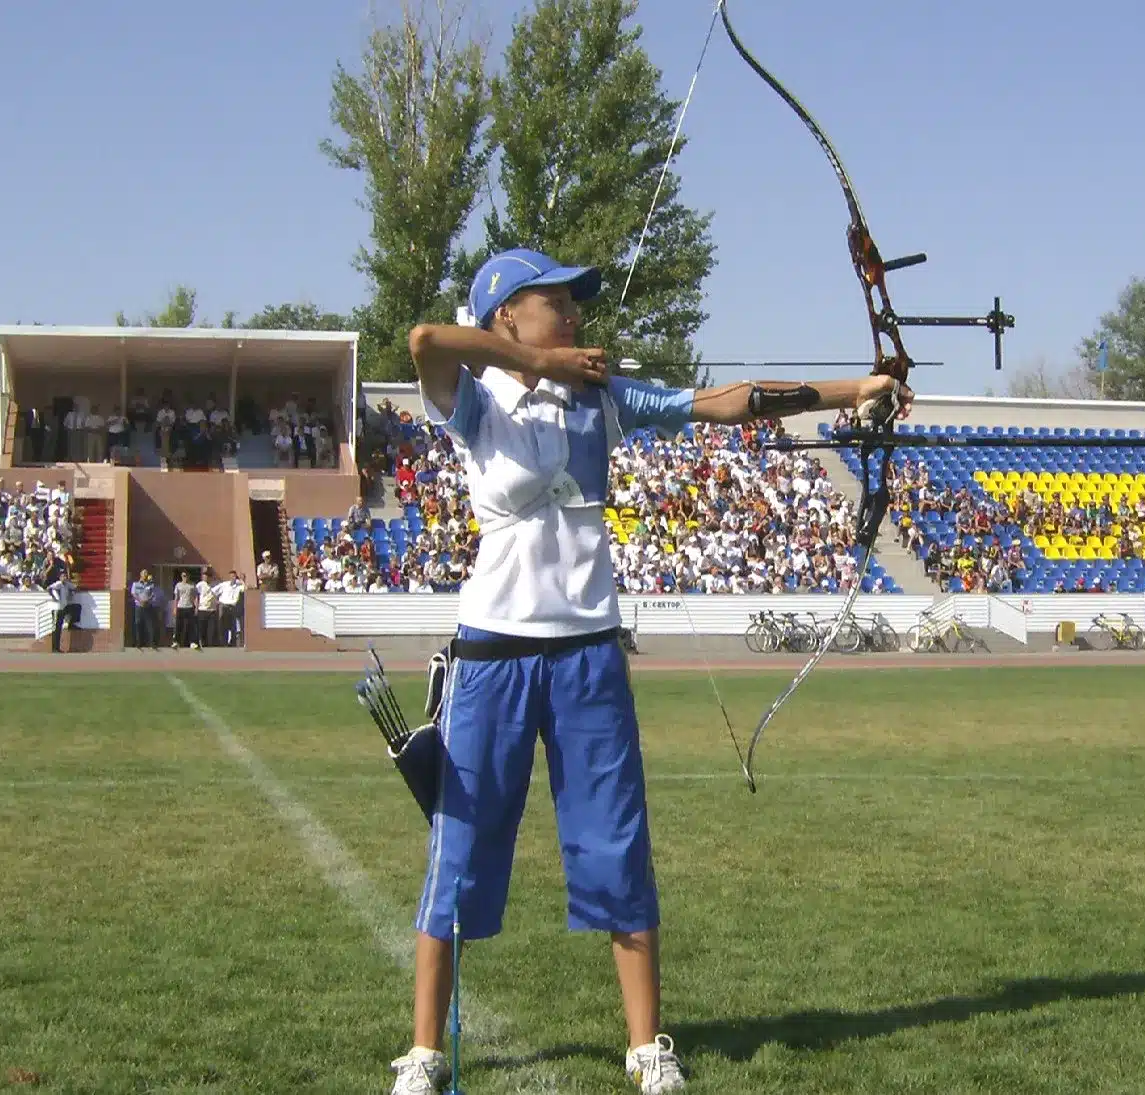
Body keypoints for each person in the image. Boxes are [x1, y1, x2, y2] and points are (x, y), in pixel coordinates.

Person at [389, 247, 911, 1095]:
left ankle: (646, 1047)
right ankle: (424, 1052)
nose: (573, 313)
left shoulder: (603, 396)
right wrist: (539, 363)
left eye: (573, 302)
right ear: (506, 315)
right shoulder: (476, 400)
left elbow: (728, 405)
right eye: (555, 300)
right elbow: (423, 341)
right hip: (492, 652)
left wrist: (855, 390)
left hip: (589, 649)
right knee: (462, 843)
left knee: (616, 842)